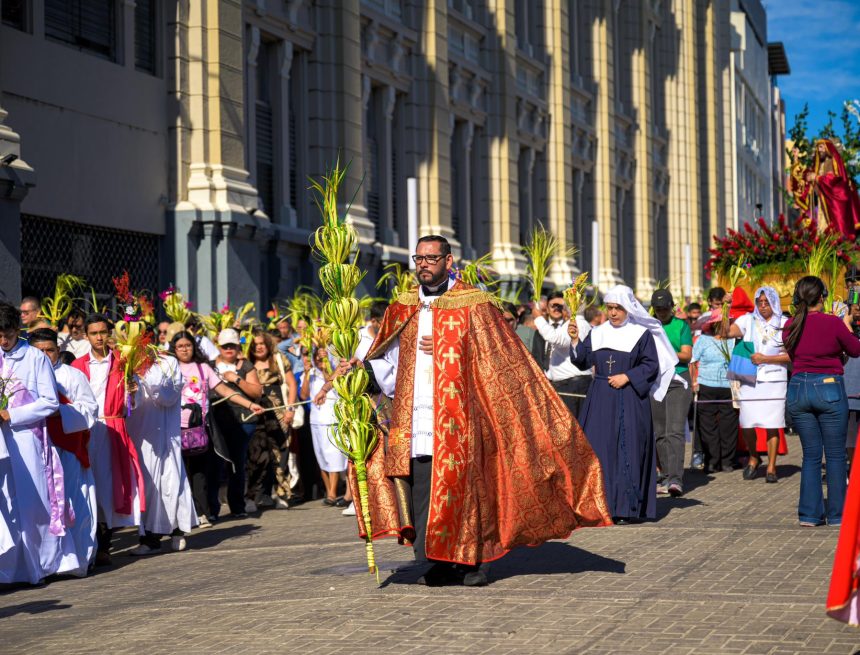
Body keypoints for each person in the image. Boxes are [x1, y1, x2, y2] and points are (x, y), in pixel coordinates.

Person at [350, 235, 610, 587]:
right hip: (416, 417)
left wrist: (448, 342)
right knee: (422, 490)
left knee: (467, 490)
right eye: (419, 258)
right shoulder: (403, 306)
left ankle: (473, 560)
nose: (423, 264)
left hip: (463, 417)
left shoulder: (474, 303)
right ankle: (438, 560)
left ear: (448, 260)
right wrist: (362, 372)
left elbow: (499, 359)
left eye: (431, 258)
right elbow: (389, 361)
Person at [569, 285, 678, 522]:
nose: (613, 313)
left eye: (618, 308)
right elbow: (582, 360)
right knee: (599, 449)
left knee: (627, 449)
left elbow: (651, 365)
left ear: (628, 308)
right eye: (609, 308)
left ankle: (624, 509)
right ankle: (598, 506)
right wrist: (576, 340)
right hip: (600, 399)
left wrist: (627, 377)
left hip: (629, 399)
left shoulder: (641, 334)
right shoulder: (597, 333)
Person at [783, 276, 860, 527]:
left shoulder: (790, 325)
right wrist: (846, 323)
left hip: (798, 388)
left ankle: (809, 514)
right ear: (822, 297)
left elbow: (797, 353)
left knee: (811, 456)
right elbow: (856, 349)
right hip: (828, 387)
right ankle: (837, 514)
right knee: (836, 455)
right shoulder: (833, 323)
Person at [71, 313, 145, 565]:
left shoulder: (123, 363)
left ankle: (104, 544)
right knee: (83, 484)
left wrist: (133, 392)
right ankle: (86, 542)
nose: (99, 337)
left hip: (112, 426)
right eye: (94, 333)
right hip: (84, 429)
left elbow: (135, 403)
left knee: (107, 486)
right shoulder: (78, 366)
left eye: (103, 332)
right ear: (85, 335)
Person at [170, 331, 263, 525]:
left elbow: (225, 390)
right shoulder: (169, 367)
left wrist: (249, 405)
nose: (185, 349)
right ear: (174, 349)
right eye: (180, 346)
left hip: (199, 430)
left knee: (200, 473)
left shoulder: (204, 368)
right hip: (174, 428)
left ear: (194, 347)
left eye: (188, 345)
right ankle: (181, 515)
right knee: (179, 472)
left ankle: (202, 512)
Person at [0, 302, 63, 584]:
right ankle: (8, 569)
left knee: (32, 503)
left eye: (8, 334)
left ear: (19, 330)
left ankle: (37, 567)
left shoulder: (35, 358)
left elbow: (50, 402)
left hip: (26, 438)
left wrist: (10, 414)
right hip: (1, 440)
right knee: (7, 504)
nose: (3, 341)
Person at [29, 328, 99, 577]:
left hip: (66, 448)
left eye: (50, 350)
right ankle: (44, 563)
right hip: (35, 448)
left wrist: (58, 411)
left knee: (72, 502)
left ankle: (78, 558)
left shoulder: (71, 376)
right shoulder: (25, 376)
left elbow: (90, 410)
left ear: (58, 351)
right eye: (39, 351)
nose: (45, 355)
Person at [125, 334, 198, 555]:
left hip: (165, 435)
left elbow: (168, 396)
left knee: (170, 480)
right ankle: (148, 538)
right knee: (146, 484)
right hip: (140, 435)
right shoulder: (127, 363)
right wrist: (131, 391)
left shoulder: (168, 362)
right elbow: (129, 404)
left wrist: (146, 380)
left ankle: (177, 530)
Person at [726, 286, 790, 483]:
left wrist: (765, 359)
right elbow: (728, 332)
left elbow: (791, 355)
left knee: (773, 423)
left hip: (775, 379)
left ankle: (771, 466)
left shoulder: (785, 324)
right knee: (747, 422)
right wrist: (725, 311)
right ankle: (754, 455)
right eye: (759, 303)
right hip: (750, 379)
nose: (763, 306)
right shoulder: (748, 320)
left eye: (767, 303)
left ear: (774, 303)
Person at [207, 328, 263, 519]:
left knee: (237, 463)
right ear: (219, 346)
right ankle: (211, 509)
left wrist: (236, 379)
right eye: (225, 346)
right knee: (216, 463)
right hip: (216, 421)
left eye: (232, 345)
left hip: (242, 421)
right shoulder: (209, 365)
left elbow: (257, 393)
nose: (229, 349)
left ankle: (237, 506)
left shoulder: (245, 366)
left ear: (238, 345)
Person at [246, 331, 296, 511]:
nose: (259, 347)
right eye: (255, 344)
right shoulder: (246, 362)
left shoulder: (279, 360)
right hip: (255, 412)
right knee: (257, 454)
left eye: (262, 343)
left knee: (280, 453)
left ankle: (282, 494)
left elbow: (292, 384)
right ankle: (252, 497)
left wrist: (290, 409)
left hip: (279, 413)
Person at [649, 289, 692, 496]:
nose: (661, 312)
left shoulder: (681, 325)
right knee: (659, 431)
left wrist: (666, 354)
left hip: (678, 380)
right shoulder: (648, 326)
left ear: (671, 307)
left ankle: (676, 479)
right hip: (656, 381)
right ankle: (665, 476)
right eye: (658, 309)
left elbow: (686, 354)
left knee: (674, 430)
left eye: (665, 309)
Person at [690, 310, 738, 473]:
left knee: (729, 426)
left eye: (729, 321)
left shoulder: (733, 341)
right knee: (707, 427)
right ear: (716, 324)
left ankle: (727, 461)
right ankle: (711, 460)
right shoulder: (703, 340)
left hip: (728, 387)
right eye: (724, 321)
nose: (728, 324)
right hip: (706, 386)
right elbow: (692, 360)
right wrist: (693, 381)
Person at [532, 291, 593, 418]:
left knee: (571, 428)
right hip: (571, 384)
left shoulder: (576, 323)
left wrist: (538, 318)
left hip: (571, 385)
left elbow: (555, 338)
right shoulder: (580, 323)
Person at [301, 347, 346, 506]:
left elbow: (331, 382)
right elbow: (304, 395)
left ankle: (333, 493)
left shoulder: (334, 374)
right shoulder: (311, 373)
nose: (321, 362)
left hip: (332, 418)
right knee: (321, 457)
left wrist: (327, 366)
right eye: (318, 359)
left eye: (324, 359)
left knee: (333, 455)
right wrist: (306, 373)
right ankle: (329, 491)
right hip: (316, 419)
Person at [790, 139, 860, 239]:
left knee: (832, 231)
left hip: (832, 204)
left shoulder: (833, 161)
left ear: (828, 147)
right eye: (818, 148)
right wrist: (796, 159)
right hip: (821, 203)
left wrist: (817, 178)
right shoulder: (819, 165)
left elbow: (836, 181)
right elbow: (805, 176)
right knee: (821, 231)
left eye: (821, 147)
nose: (819, 150)